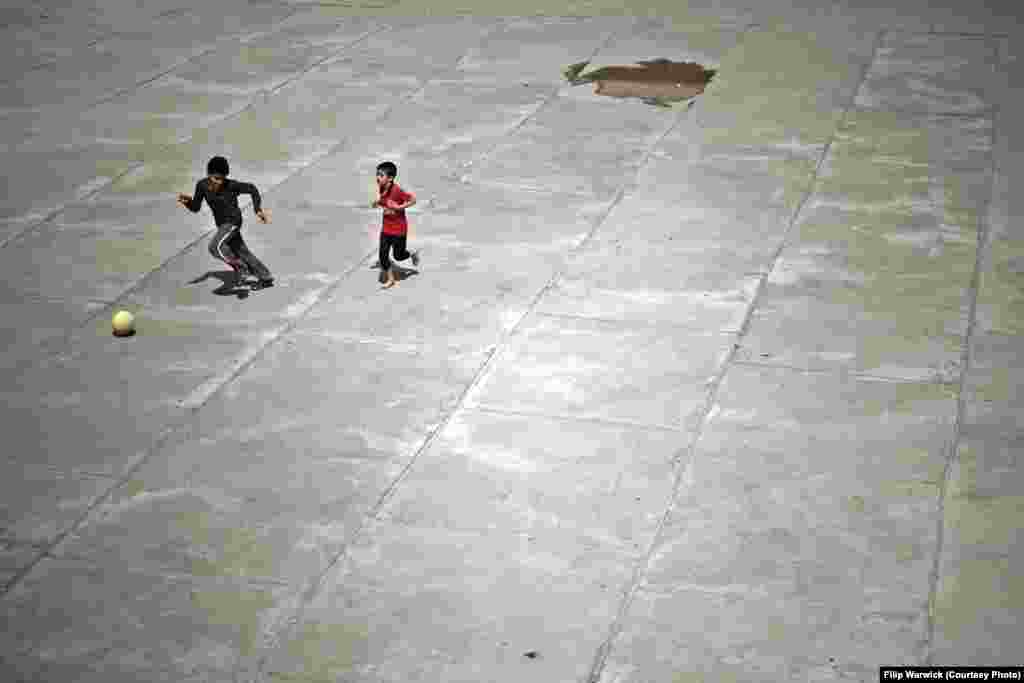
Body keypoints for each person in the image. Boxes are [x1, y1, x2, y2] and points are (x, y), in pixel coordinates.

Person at [177, 156, 274, 290]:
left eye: (222, 178)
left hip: (233, 221)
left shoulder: (231, 185)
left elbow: (252, 188)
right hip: (222, 225)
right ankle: (266, 278)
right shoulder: (202, 186)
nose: (219, 182)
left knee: (215, 247)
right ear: (209, 175)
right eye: (216, 178)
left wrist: (257, 209)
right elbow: (195, 208)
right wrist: (187, 202)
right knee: (242, 251)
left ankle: (241, 268)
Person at [372, 161, 418, 289]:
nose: (377, 178)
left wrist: (399, 207)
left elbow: (413, 200)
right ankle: (391, 280)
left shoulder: (397, 190)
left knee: (398, 256)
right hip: (386, 228)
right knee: (383, 256)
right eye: (377, 174)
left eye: (381, 175)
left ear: (390, 178)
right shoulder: (382, 187)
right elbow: (384, 200)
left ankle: (412, 253)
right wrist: (378, 202)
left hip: (399, 230)